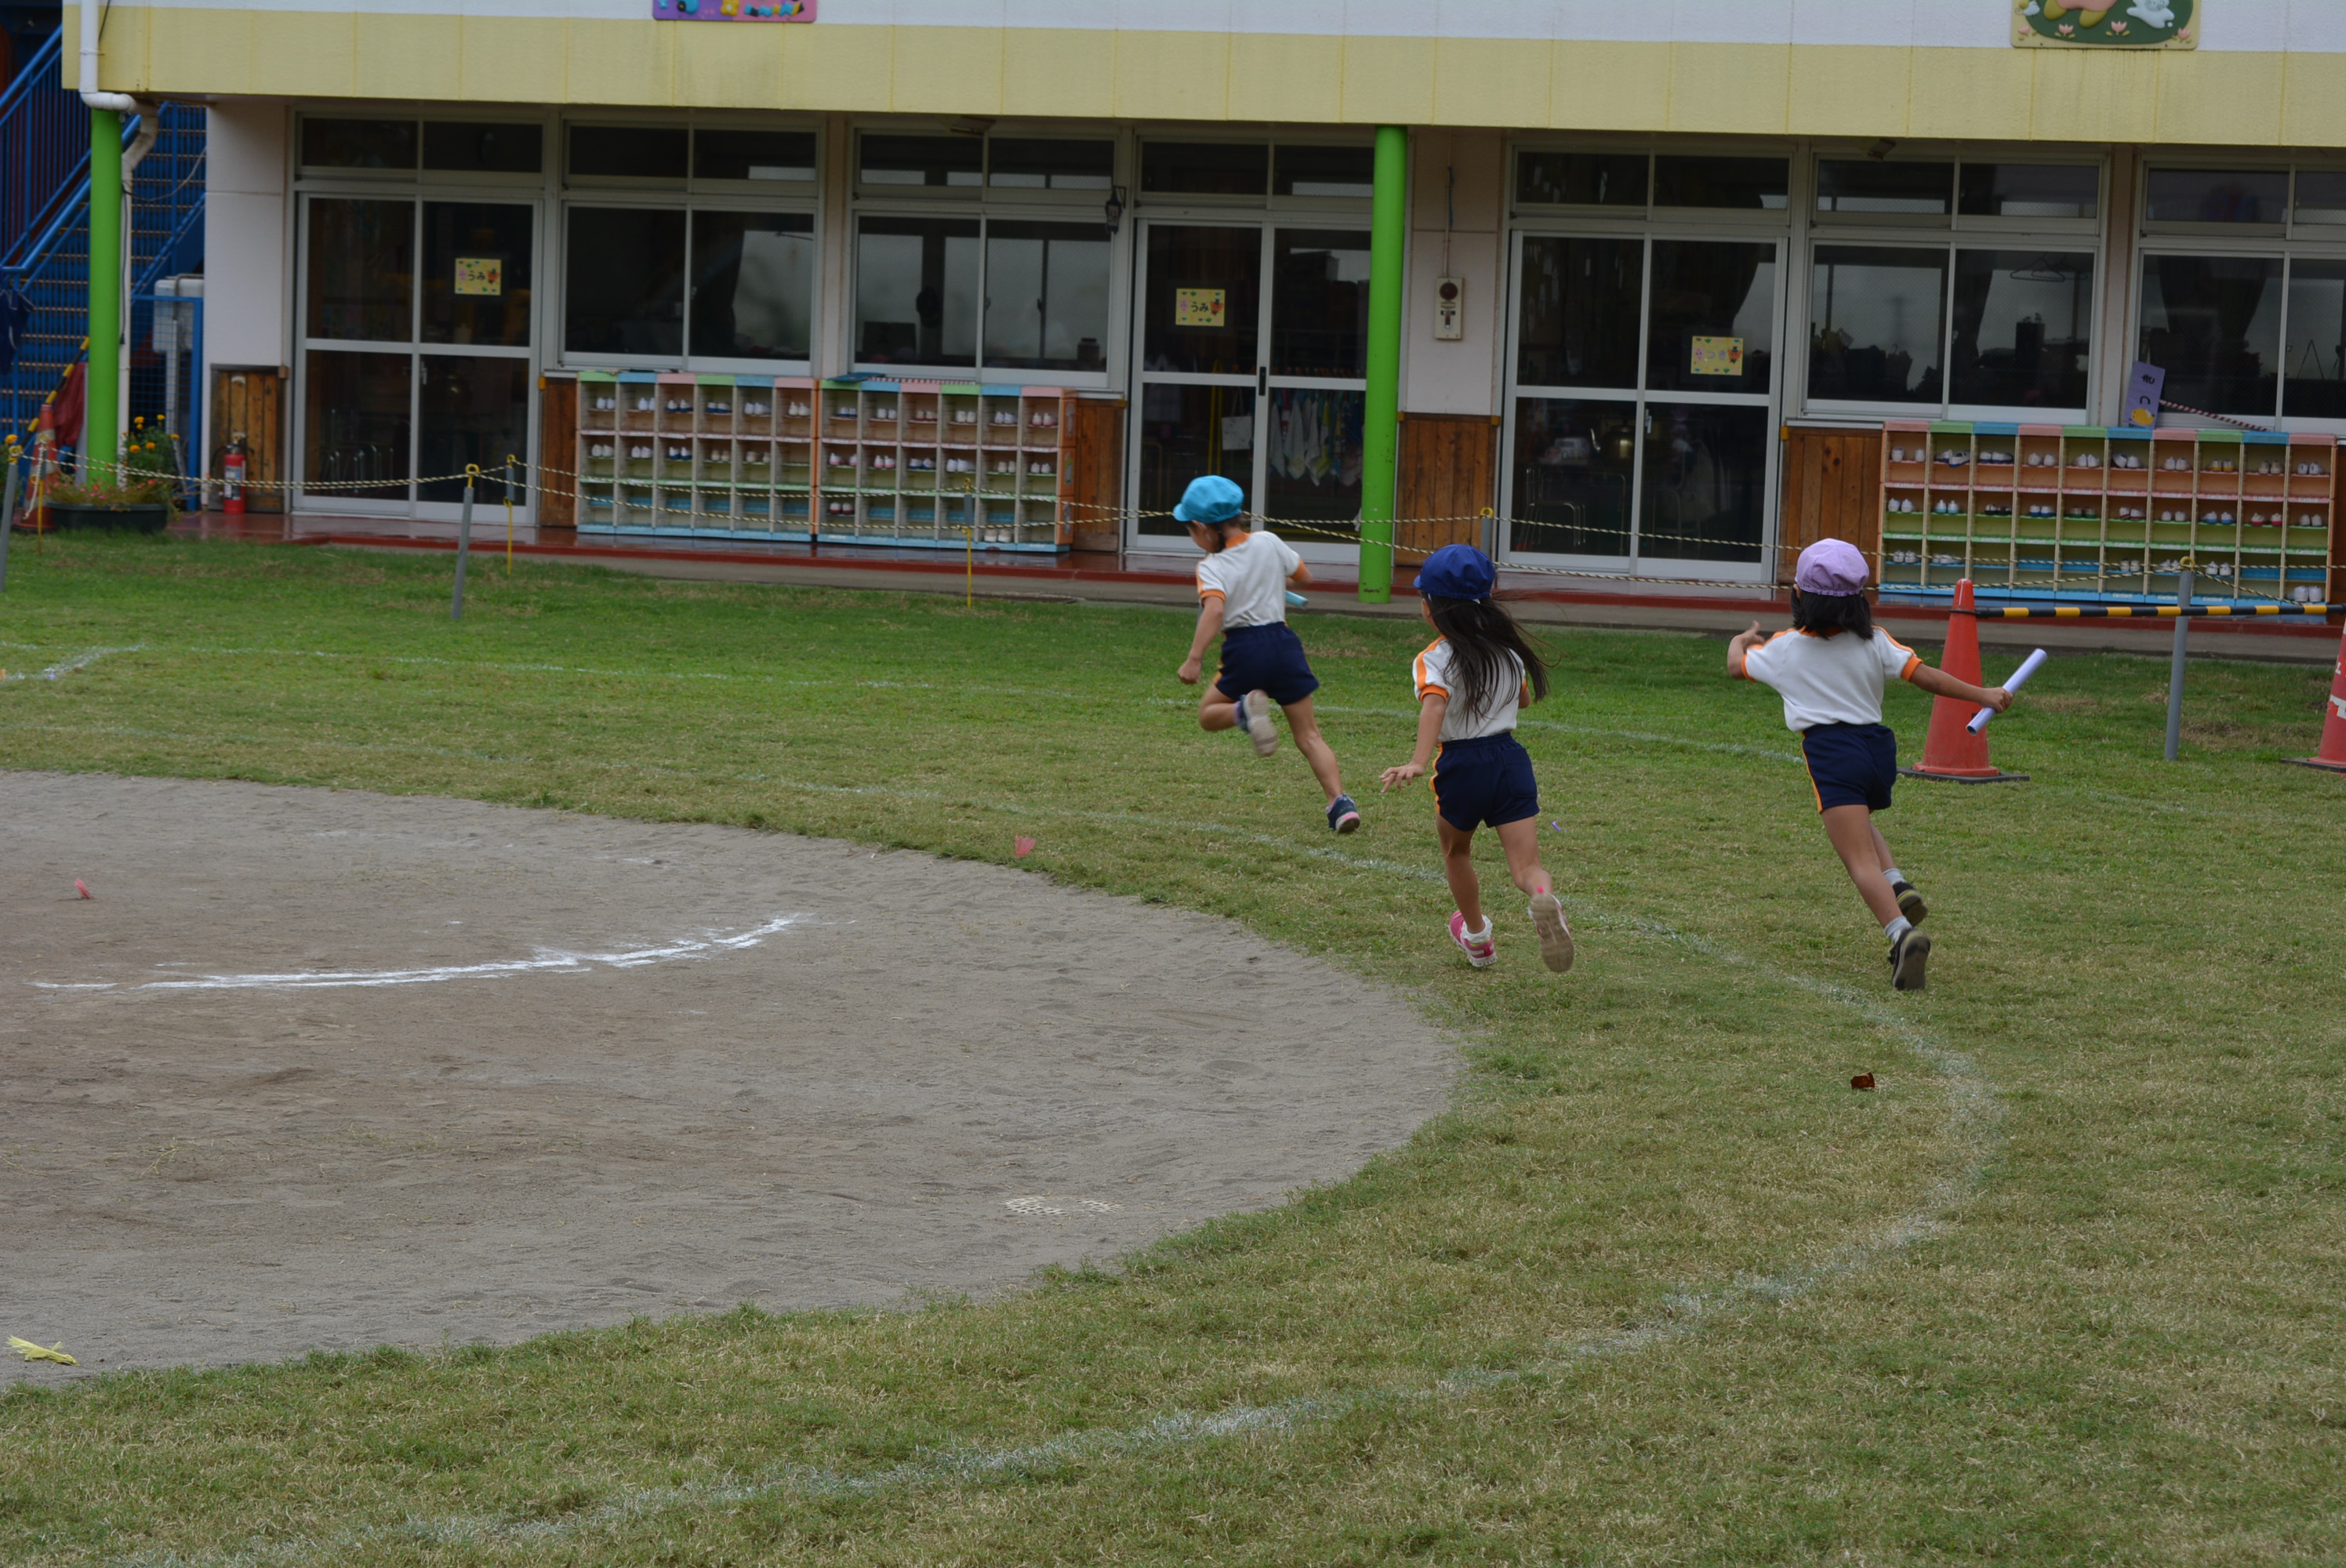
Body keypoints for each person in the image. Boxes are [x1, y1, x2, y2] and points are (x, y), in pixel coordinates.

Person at [1729, 538, 2013, 992]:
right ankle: (1898, 882)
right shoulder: (1875, 641)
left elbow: (1736, 666)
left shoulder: (1782, 650)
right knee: (1861, 823)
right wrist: (1983, 695)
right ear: (1861, 599)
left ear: (1798, 596)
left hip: (1831, 752)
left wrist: (1741, 640)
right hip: (1878, 751)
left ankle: (1902, 934)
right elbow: (1926, 677)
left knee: (1856, 858)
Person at [1376, 543, 1574, 973]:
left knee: (1457, 852)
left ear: (1433, 607)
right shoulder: (1508, 651)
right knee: (1528, 867)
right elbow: (1521, 701)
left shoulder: (1434, 658)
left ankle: (1478, 937)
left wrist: (1415, 760)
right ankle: (1544, 900)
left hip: (1461, 766)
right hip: (1510, 760)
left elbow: (1435, 705)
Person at [1172, 475, 1362, 833]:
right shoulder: (1269, 542)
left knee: (1209, 715)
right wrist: (1274, 580)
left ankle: (1243, 711)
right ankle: (1341, 804)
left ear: (1202, 528)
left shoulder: (1211, 567)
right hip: (1284, 645)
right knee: (1309, 735)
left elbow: (1214, 611)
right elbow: (1304, 577)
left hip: (1245, 648)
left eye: (1190, 532)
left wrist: (1194, 658)